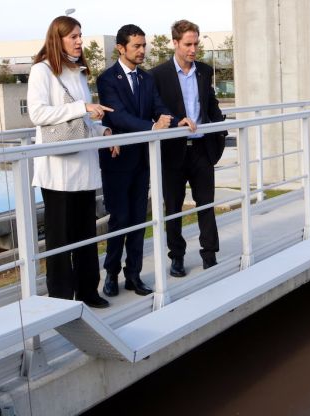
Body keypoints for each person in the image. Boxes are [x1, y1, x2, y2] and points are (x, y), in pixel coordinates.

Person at [96, 24, 195, 297]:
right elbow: (117, 117)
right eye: (137, 46)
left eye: (144, 46)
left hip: (142, 159)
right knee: (120, 218)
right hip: (117, 160)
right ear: (121, 48)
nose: (142, 51)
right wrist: (152, 128)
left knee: (139, 218)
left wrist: (176, 120)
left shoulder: (146, 78)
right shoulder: (107, 79)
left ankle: (134, 275)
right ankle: (111, 274)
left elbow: (159, 108)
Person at [27, 16, 114, 308]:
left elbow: (82, 120)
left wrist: (103, 130)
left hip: (84, 168)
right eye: (73, 36)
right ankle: (61, 298)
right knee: (61, 238)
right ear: (58, 39)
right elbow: (37, 114)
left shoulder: (78, 73)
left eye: (80, 35)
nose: (79, 41)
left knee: (86, 234)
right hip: (58, 170)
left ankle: (89, 291)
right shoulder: (42, 71)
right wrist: (81, 107)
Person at [149, 20, 226, 277]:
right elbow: (155, 110)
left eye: (196, 43)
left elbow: (211, 105)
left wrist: (220, 130)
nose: (193, 49)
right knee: (173, 208)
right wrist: (173, 121)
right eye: (188, 44)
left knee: (206, 204)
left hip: (202, 148)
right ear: (175, 43)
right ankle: (177, 258)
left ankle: (209, 255)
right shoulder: (158, 75)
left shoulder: (204, 71)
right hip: (173, 151)